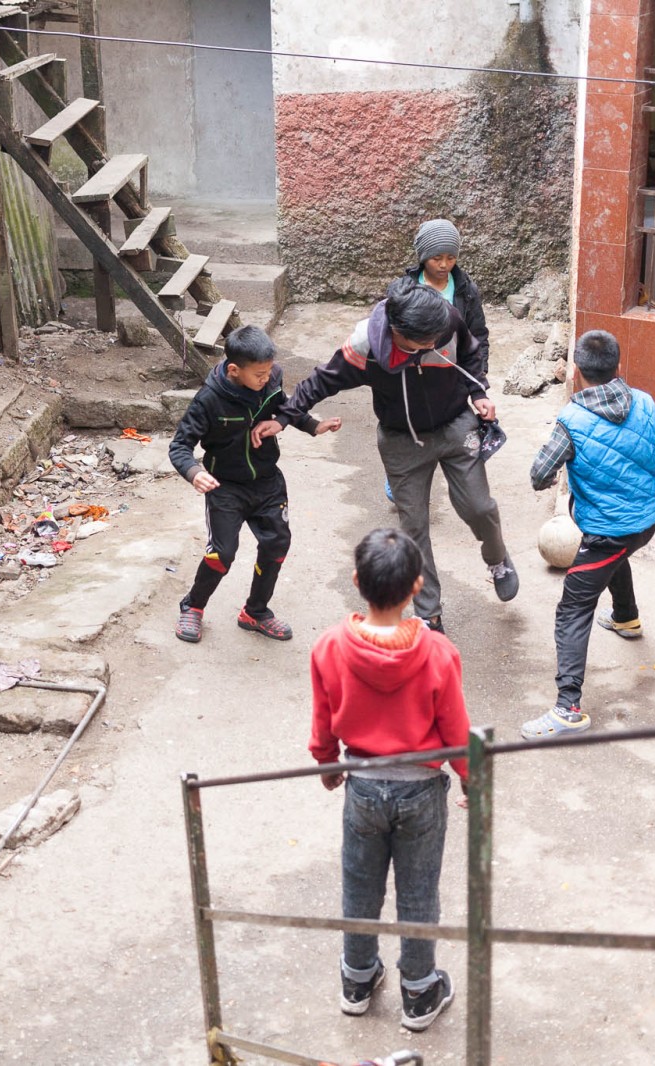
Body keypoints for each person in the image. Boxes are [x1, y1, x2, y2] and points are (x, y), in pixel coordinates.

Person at [266, 277, 518, 633]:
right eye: (425, 342)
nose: (434, 344)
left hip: (456, 426)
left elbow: (471, 353)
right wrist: (284, 417)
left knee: (479, 507)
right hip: (402, 441)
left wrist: (479, 393)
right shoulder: (365, 345)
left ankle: (497, 560)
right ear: (398, 332)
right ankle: (429, 614)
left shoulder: (444, 319)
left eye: (437, 338)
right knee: (414, 527)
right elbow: (321, 380)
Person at [524, 330, 655, 740]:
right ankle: (626, 617)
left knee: (572, 610)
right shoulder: (644, 402)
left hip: (608, 532)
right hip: (645, 524)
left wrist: (555, 473)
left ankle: (568, 709)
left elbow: (537, 475)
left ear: (577, 371)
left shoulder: (571, 420)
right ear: (618, 367)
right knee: (614, 555)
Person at [309, 527, 469, 1032]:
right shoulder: (439, 652)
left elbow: (323, 716)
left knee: (360, 886)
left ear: (357, 581)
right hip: (420, 790)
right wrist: (470, 777)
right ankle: (419, 992)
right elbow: (455, 728)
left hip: (361, 786)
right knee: (418, 893)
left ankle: (357, 979)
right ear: (417, 585)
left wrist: (327, 762)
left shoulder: (330, 647)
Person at [169, 325, 340, 643]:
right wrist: (194, 472)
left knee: (276, 545)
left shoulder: (270, 383)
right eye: (259, 374)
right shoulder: (209, 400)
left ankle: (256, 612)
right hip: (226, 487)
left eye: (270, 371)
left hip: (267, 483)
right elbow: (180, 446)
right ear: (234, 370)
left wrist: (315, 426)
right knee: (222, 554)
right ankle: (193, 607)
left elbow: (287, 409)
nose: (267, 379)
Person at [385, 218, 492, 504]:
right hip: (412, 373)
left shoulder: (466, 290)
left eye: (451, 257)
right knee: (412, 425)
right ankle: (400, 476)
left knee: (448, 426)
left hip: (451, 372)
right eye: (436, 257)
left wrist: (478, 381)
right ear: (422, 257)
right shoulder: (404, 290)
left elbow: (477, 335)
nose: (444, 264)